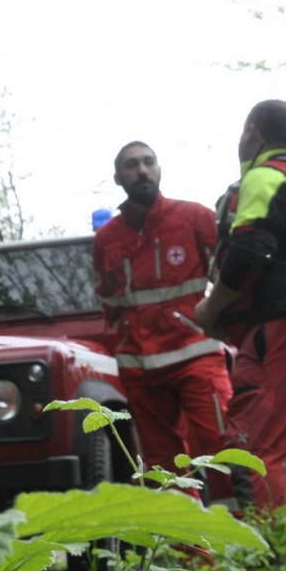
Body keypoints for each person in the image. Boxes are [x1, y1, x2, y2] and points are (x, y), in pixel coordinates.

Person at [196, 99, 286, 510]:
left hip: (284, 328)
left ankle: (262, 564)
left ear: (251, 131)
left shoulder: (265, 176)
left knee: (251, 452)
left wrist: (212, 308)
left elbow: (251, 247)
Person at [92, 141, 232, 480]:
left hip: (196, 357)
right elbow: (108, 301)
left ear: (159, 169)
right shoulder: (107, 238)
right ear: (117, 177)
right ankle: (184, 535)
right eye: (131, 164)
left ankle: (245, 527)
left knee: (223, 450)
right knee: (163, 468)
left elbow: (229, 277)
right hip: (140, 370)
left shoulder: (194, 217)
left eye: (148, 162)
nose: (141, 170)